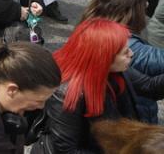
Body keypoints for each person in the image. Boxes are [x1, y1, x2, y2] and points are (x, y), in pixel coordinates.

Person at [32, 18, 164, 153]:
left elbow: (149, 86)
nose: (132, 53)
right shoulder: (66, 93)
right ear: (104, 57)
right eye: (125, 52)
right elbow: (66, 150)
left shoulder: (114, 70)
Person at [80, 0, 164, 123]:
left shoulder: (93, 26)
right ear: (128, 12)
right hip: (130, 123)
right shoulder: (120, 43)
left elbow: (148, 85)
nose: (147, 5)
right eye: (142, 3)